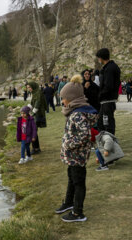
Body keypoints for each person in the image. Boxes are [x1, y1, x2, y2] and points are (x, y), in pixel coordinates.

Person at [56, 74, 98, 222]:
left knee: (79, 182)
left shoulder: (78, 114)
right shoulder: (74, 112)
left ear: (72, 98)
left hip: (77, 155)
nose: (62, 101)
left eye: (63, 98)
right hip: (73, 156)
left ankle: (77, 213)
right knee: (71, 179)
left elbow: (84, 135)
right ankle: (68, 203)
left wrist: (68, 144)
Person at [96, 48, 121, 135]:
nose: (98, 60)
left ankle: (110, 144)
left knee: (107, 124)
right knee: (101, 123)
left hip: (108, 100)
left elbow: (108, 86)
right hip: (105, 101)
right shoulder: (108, 67)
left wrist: (100, 95)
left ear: (101, 58)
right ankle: (104, 144)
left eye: (98, 58)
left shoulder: (110, 68)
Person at [27, 81, 47, 154]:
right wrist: (27, 109)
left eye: (29, 87)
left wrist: (32, 113)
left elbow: (37, 103)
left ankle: (36, 149)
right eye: (28, 87)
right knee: (33, 131)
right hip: (36, 114)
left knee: (33, 131)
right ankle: (36, 148)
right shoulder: (34, 93)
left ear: (33, 86)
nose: (28, 89)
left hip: (39, 114)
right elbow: (32, 103)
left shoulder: (38, 93)